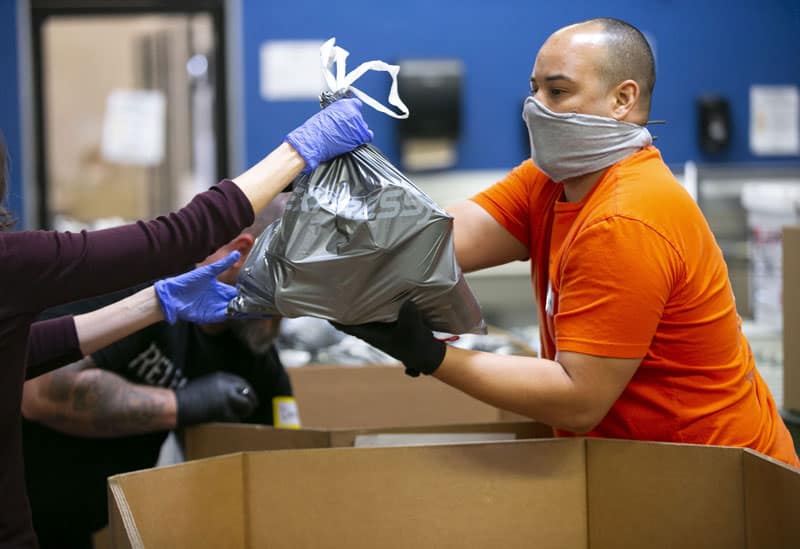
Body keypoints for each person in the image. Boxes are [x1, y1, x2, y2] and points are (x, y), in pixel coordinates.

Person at [334, 19, 800, 467]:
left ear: (623, 98)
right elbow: (437, 240)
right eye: (534, 88)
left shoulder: (625, 218)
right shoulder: (553, 180)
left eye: (557, 92)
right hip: (644, 468)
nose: (535, 106)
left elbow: (579, 399)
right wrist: (341, 209)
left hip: (715, 473)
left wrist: (430, 354)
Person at [0, 97, 371, 547]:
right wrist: (300, 151)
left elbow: (27, 351)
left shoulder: (249, 345)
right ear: (242, 249)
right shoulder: (13, 262)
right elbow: (181, 236)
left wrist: (156, 304)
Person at [20, 201, 295, 548]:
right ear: (242, 254)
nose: (295, 304)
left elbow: (289, 452)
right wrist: (181, 404)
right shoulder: (146, 290)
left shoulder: (250, 342)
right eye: (289, 276)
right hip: (21, 508)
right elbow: (39, 392)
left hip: (83, 525)